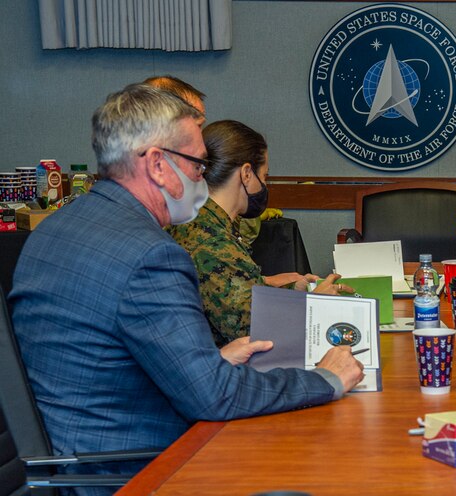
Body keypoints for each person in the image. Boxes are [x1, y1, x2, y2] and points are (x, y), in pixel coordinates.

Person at [9, 84, 364, 488]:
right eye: (197, 165)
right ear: (158, 165)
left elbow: (113, 356)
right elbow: (213, 396)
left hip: (67, 456)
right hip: (130, 469)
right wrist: (325, 378)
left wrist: (211, 359)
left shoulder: (59, 226)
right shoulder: (149, 254)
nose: (201, 177)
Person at [168, 120, 350, 347]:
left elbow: (237, 299)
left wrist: (294, 291)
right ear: (246, 174)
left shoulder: (200, 221)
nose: (265, 186)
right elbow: (252, 330)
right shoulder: (212, 242)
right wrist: (314, 303)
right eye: (264, 177)